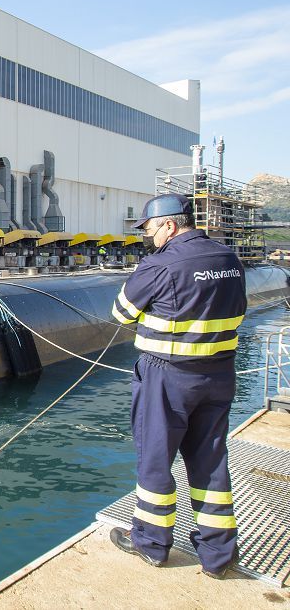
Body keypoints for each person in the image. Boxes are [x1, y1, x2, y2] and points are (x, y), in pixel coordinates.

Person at [109, 193, 246, 579]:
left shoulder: (160, 264)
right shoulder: (229, 260)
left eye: (150, 229)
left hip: (167, 376)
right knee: (211, 460)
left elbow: (121, 313)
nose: (148, 237)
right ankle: (218, 554)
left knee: (156, 459)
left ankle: (151, 543)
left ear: (169, 225)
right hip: (219, 374)